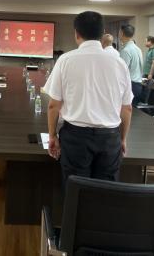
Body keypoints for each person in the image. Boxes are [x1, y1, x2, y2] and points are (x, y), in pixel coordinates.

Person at [45, 11, 133, 186]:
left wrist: (52, 136)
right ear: (102, 34)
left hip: (75, 138)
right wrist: (122, 139)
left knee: (76, 190)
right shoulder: (119, 63)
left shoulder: (65, 60)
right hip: (110, 138)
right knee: (106, 191)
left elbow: (54, 106)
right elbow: (127, 108)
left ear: (76, 33)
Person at [118, 24, 144, 105]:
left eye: (119, 32)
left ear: (122, 33)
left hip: (130, 86)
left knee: (127, 111)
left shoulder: (126, 50)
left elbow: (121, 72)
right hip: (138, 85)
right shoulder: (138, 49)